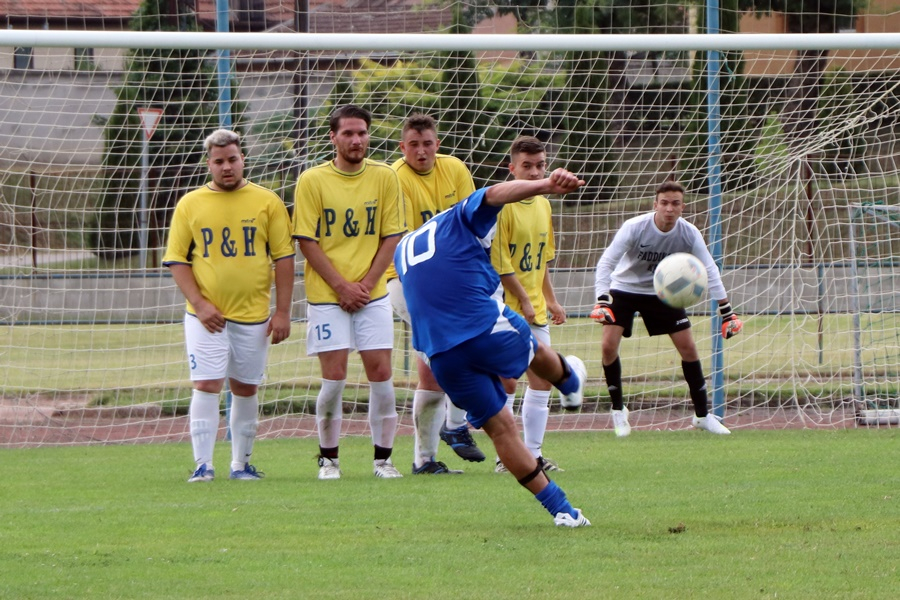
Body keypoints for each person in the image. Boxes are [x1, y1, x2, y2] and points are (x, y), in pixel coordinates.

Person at [395, 167, 591, 527]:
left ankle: (563, 511)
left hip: (440, 354)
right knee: (536, 354)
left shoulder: (402, 247)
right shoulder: (459, 215)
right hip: (482, 325)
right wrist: (545, 185)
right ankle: (572, 383)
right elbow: (495, 194)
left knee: (502, 430)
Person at [162, 128, 295, 483]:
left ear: (243, 159)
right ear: (209, 164)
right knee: (206, 384)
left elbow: (283, 259)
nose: (226, 167)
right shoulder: (190, 203)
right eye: (219, 161)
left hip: (254, 317)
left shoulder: (267, 201)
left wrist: (282, 312)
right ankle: (202, 466)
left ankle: (241, 465)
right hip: (207, 318)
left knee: (246, 388)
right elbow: (177, 260)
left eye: (232, 159)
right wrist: (200, 304)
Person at [293, 104, 405, 480]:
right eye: (348, 134)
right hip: (328, 296)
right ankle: (328, 460)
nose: (356, 140)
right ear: (333, 138)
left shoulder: (385, 176)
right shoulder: (312, 180)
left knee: (382, 374)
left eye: (361, 133)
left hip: (371, 294)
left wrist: (368, 284)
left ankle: (383, 460)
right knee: (335, 378)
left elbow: (392, 235)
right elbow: (306, 240)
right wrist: (342, 286)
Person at [591, 181, 744, 437]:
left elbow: (709, 268)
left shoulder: (688, 232)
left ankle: (703, 416)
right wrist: (602, 299)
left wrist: (726, 311)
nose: (669, 209)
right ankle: (618, 410)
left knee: (688, 347)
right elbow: (607, 262)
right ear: (655, 205)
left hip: (662, 292)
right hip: (624, 288)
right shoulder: (635, 227)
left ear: (683, 207)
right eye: (664, 203)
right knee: (608, 345)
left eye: (675, 203)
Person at [386, 113, 485, 474]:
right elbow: (406, 242)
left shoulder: (455, 169)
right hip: (404, 279)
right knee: (459, 347)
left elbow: (469, 223)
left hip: (449, 279)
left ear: (437, 144)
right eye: (414, 145)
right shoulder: (395, 178)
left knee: (431, 376)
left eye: (428, 143)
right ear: (403, 147)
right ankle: (456, 425)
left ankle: (424, 460)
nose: (422, 151)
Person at [491, 136, 566, 474]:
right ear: (512, 168)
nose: (535, 173)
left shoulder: (544, 204)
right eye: (527, 166)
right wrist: (521, 298)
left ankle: (533, 455)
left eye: (540, 166)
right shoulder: (502, 207)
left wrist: (550, 300)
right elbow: (500, 262)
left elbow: (542, 260)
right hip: (505, 308)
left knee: (542, 380)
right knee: (508, 382)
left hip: (534, 308)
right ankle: (504, 457)